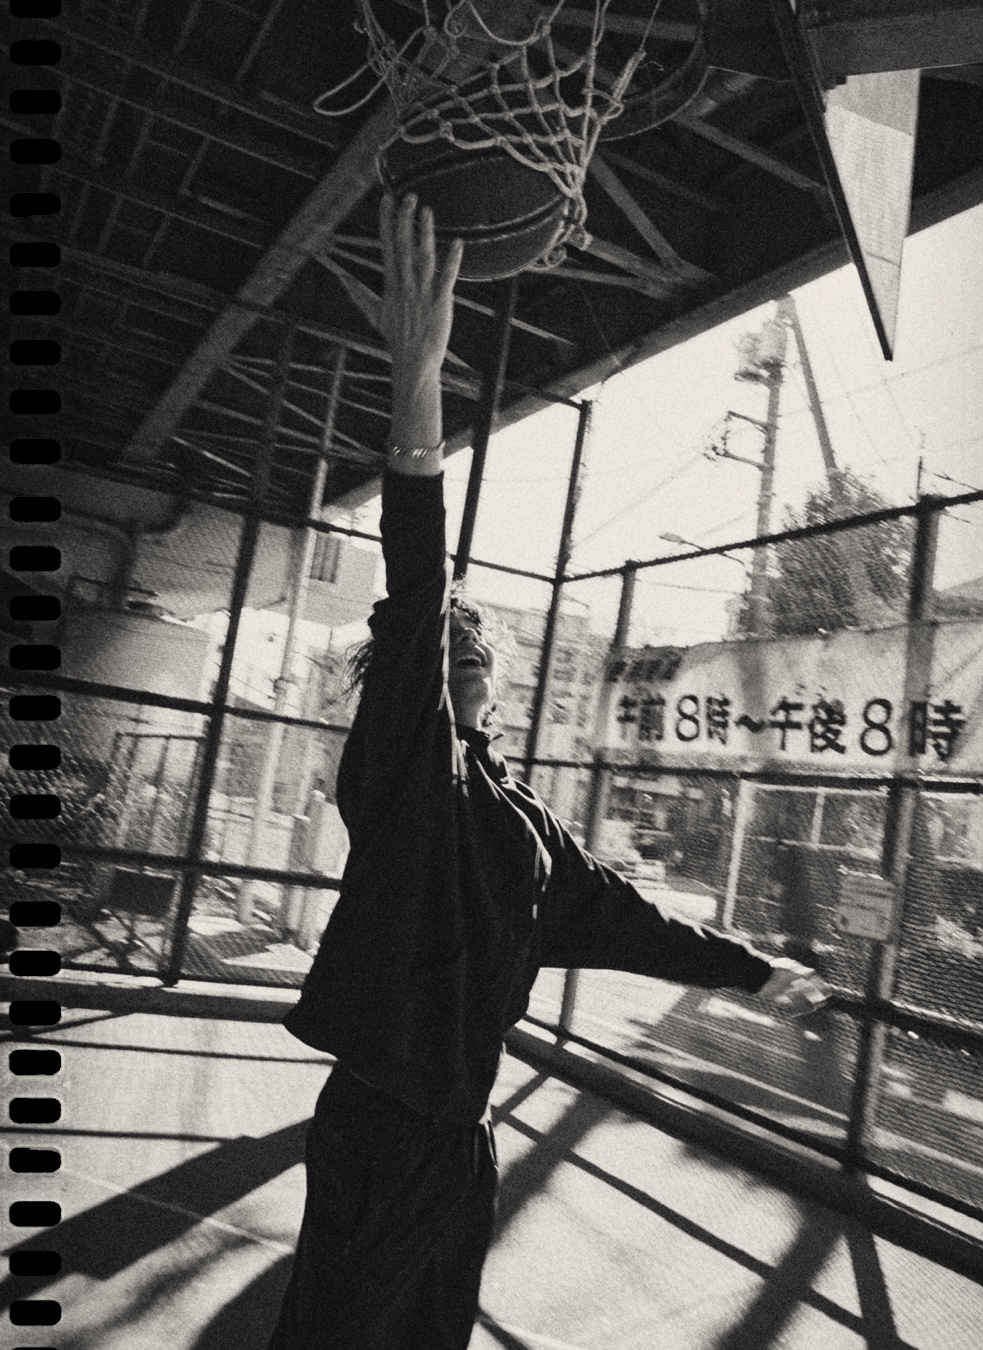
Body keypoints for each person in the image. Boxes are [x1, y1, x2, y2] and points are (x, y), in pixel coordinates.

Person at [267, 194, 829, 1350]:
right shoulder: (404, 769)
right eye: (449, 648)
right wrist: (417, 379)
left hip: (456, 1141)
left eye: (475, 646)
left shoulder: (516, 822)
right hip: (384, 1124)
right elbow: (417, 589)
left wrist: (755, 971)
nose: (466, 654)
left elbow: (625, 919)